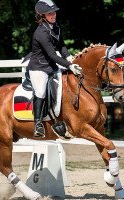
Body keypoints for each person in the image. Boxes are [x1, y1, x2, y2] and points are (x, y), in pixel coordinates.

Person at [27, 0, 82, 138]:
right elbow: (52, 54)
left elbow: (61, 45)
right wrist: (69, 66)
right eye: (49, 13)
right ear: (42, 16)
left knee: (65, 86)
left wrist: (69, 58)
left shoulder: (55, 27)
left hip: (52, 66)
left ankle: (63, 118)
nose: (53, 15)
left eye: (54, 12)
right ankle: (38, 124)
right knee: (40, 92)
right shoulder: (40, 33)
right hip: (39, 68)